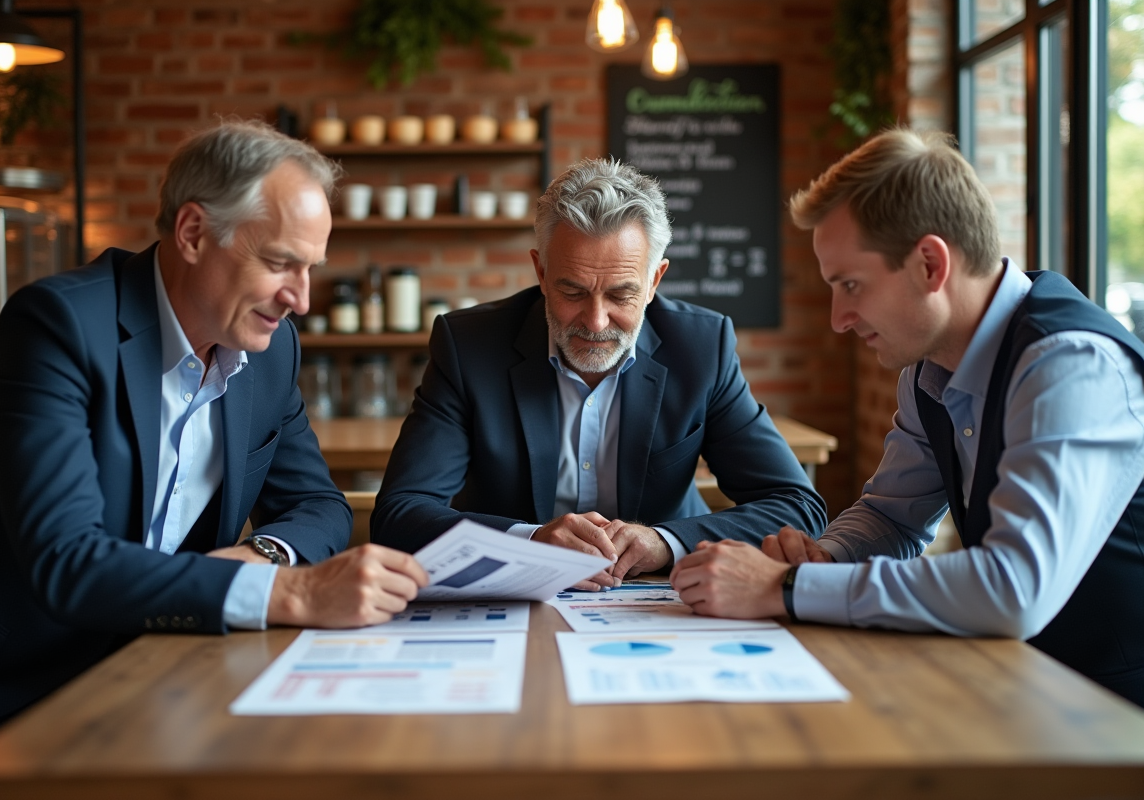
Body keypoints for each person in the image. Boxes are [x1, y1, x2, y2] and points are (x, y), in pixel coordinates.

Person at [0, 121, 428, 760]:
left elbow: (319, 506)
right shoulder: (58, 325)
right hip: (9, 691)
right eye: (281, 263)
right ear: (194, 232)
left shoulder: (271, 348)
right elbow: (67, 562)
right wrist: (296, 591)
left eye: (310, 268)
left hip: (166, 669)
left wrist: (264, 557)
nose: (302, 299)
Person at [670, 128, 1144, 707]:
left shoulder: (1070, 365)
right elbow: (892, 520)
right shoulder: (930, 372)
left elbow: (1015, 589)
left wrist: (788, 587)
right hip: (1030, 692)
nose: (839, 318)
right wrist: (827, 555)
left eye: (850, 285)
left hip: (1116, 719)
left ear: (928, 263)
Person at [372, 158, 827, 589]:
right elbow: (399, 514)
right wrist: (529, 542)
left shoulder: (702, 348)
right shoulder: (469, 346)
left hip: (665, 599)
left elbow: (797, 507)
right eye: (572, 290)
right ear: (541, 271)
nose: (595, 321)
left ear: (654, 282)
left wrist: (664, 543)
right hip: (516, 597)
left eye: (621, 295)